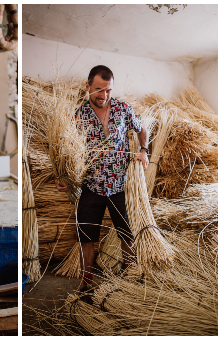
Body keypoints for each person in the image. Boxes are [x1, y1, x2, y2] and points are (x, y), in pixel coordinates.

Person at [55, 65, 148, 302]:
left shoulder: (122, 109)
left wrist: (144, 151)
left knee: (126, 233)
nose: (104, 95)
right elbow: (67, 151)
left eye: (108, 90)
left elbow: (141, 129)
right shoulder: (79, 116)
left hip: (119, 184)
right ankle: (87, 283)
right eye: (99, 90)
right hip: (92, 186)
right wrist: (63, 177)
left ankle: (131, 278)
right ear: (88, 87)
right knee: (86, 236)